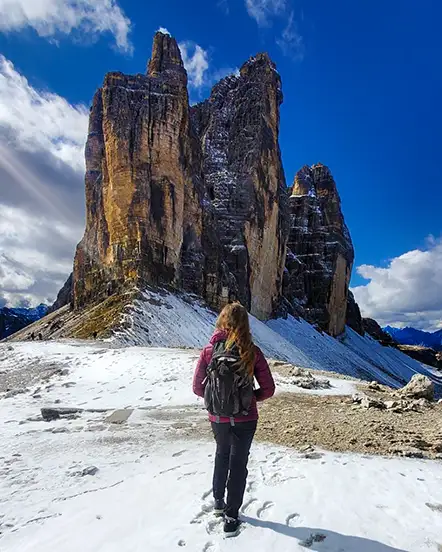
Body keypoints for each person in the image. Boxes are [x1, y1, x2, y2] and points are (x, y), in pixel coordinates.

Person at [193, 302, 275, 538]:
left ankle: (218, 502)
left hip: (218, 417)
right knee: (238, 464)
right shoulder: (252, 351)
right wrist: (249, 400)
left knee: (221, 454)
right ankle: (231, 518)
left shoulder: (209, 351)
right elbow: (268, 389)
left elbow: (198, 388)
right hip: (245, 419)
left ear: (222, 321)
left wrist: (217, 401)